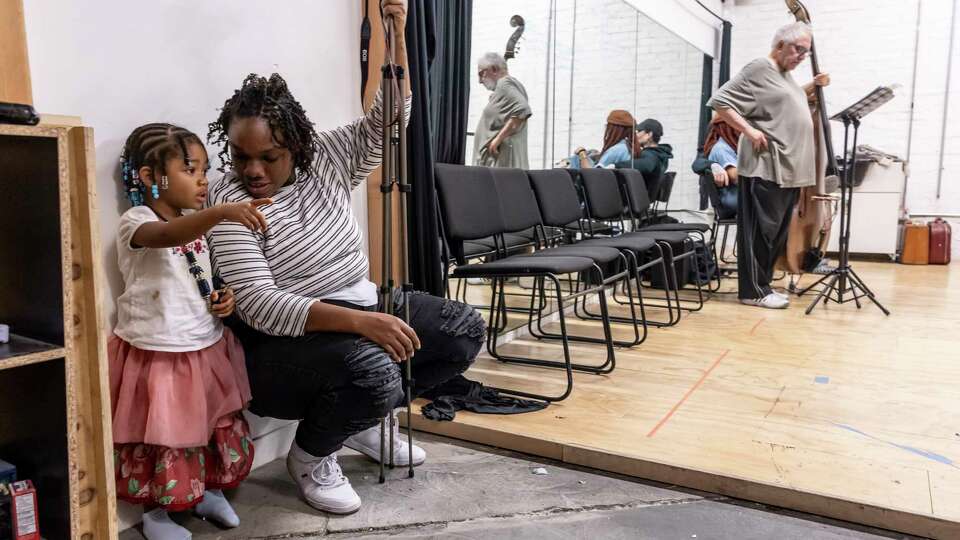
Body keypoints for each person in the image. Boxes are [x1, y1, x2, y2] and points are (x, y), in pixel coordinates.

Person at [205, 0, 483, 516]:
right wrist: (364, 323)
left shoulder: (328, 158)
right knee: (377, 368)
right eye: (242, 156)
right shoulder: (228, 201)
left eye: (269, 157)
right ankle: (311, 456)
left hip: (359, 304)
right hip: (282, 346)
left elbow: (390, 119)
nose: (254, 170)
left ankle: (362, 423)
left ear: (298, 146)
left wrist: (392, 30)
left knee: (461, 330)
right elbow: (261, 304)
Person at [111, 123, 270, 540]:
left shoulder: (193, 224)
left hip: (205, 344)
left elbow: (195, 274)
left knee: (209, 426)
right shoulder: (137, 222)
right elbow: (164, 237)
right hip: (160, 352)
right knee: (166, 435)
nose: (202, 180)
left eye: (204, 170)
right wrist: (218, 213)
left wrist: (222, 297)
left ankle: (205, 491)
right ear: (150, 178)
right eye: (189, 170)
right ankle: (156, 514)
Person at [708, 21, 830, 309]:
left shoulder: (785, 77)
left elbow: (780, 103)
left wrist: (811, 86)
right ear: (779, 45)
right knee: (760, 232)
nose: (802, 56)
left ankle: (763, 286)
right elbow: (719, 102)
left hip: (790, 169)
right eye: (798, 49)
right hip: (766, 165)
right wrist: (749, 131)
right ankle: (752, 292)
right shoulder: (759, 67)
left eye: (806, 51)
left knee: (774, 233)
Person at [473, 51, 532, 168]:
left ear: (494, 69)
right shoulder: (509, 86)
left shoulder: (504, 83)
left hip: (500, 164)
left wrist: (497, 140)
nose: (480, 81)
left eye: (481, 74)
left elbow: (522, 109)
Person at [615, 118, 674, 190]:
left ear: (649, 134)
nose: (635, 135)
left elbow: (647, 165)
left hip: (637, 198)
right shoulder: (660, 154)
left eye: (639, 131)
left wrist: (615, 164)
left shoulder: (651, 154)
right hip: (644, 198)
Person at [702, 116, 743, 219]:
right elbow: (736, 178)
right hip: (731, 200)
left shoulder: (727, 147)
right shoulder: (722, 148)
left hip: (733, 198)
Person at [569, 109, 636, 169]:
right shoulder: (629, 147)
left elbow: (592, 175)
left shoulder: (616, 150)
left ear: (614, 129)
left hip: (599, 182)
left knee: (576, 158)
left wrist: (582, 153)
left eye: (608, 126)